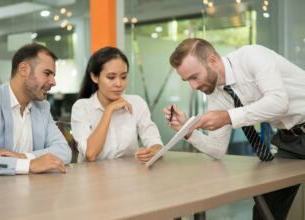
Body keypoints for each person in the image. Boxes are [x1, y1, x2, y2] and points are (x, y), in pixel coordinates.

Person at [163, 38, 305, 219]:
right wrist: (188, 131)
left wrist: (227, 117)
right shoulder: (216, 94)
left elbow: (279, 102)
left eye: (194, 77)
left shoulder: (253, 56)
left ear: (213, 61)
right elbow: (217, 149)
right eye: (187, 80)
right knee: (267, 211)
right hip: (290, 140)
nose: (193, 87)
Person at [0, 43, 72, 175]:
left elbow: (64, 151)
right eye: (47, 73)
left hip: (25, 190)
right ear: (24, 69)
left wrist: (23, 157)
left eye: (53, 75)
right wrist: (27, 165)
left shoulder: (42, 107)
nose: (53, 82)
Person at [71, 46, 163, 163]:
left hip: (129, 176)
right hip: (93, 177)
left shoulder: (136, 103)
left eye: (123, 77)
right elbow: (90, 154)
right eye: (111, 77)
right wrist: (109, 110)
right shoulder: (82, 107)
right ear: (94, 77)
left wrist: (153, 151)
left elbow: (154, 141)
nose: (119, 83)